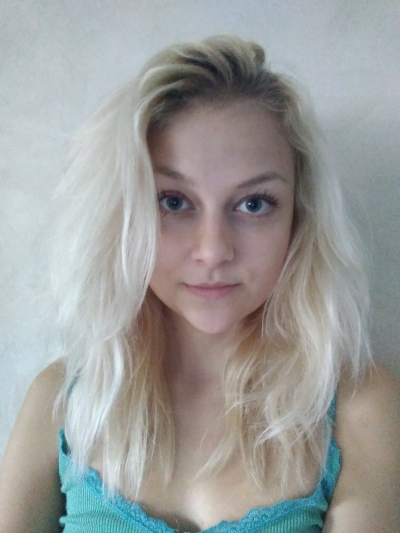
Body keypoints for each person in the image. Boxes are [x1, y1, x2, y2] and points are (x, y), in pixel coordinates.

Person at [0, 35, 398, 533]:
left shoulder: (357, 405)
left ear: (299, 218)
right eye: (173, 201)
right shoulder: (63, 402)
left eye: (253, 204)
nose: (213, 250)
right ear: (124, 212)